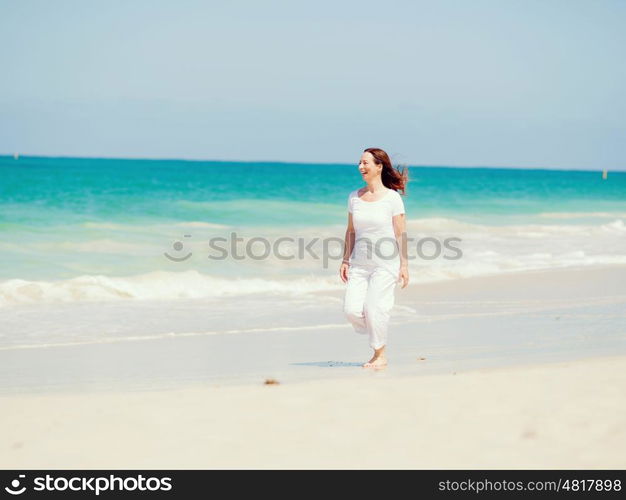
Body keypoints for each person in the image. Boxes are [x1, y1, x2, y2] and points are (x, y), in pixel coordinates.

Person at [340, 147, 409, 368]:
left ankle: (380, 354)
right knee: (351, 310)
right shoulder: (354, 197)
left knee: (373, 308)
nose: (361, 167)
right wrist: (345, 260)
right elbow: (350, 231)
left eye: (365, 163)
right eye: (359, 163)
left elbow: (400, 233)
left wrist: (404, 265)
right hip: (359, 263)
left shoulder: (392, 199)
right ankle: (377, 323)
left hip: (385, 263)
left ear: (379, 166)